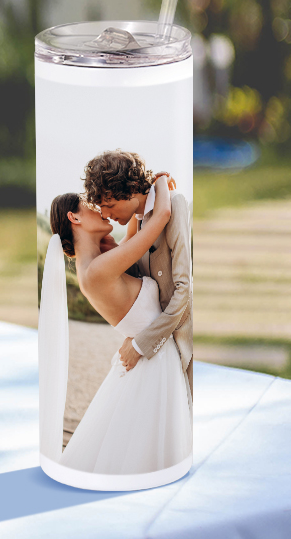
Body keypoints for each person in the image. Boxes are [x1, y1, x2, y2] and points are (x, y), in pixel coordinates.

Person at [46, 175, 191, 476]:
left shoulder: (97, 263)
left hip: (153, 356)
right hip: (153, 361)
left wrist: (140, 193)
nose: (101, 210)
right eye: (91, 207)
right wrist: (161, 181)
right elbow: (161, 216)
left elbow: (134, 229)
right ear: (74, 217)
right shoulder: (97, 270)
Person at [84, 150, 193, 395]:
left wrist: (141, 344)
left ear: (132, 190)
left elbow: (184, 290)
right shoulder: (139, 221)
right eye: (102, 209)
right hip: (160, 349)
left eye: (110, 206)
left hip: (183, 347)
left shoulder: (175, 205)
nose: (106, 216)